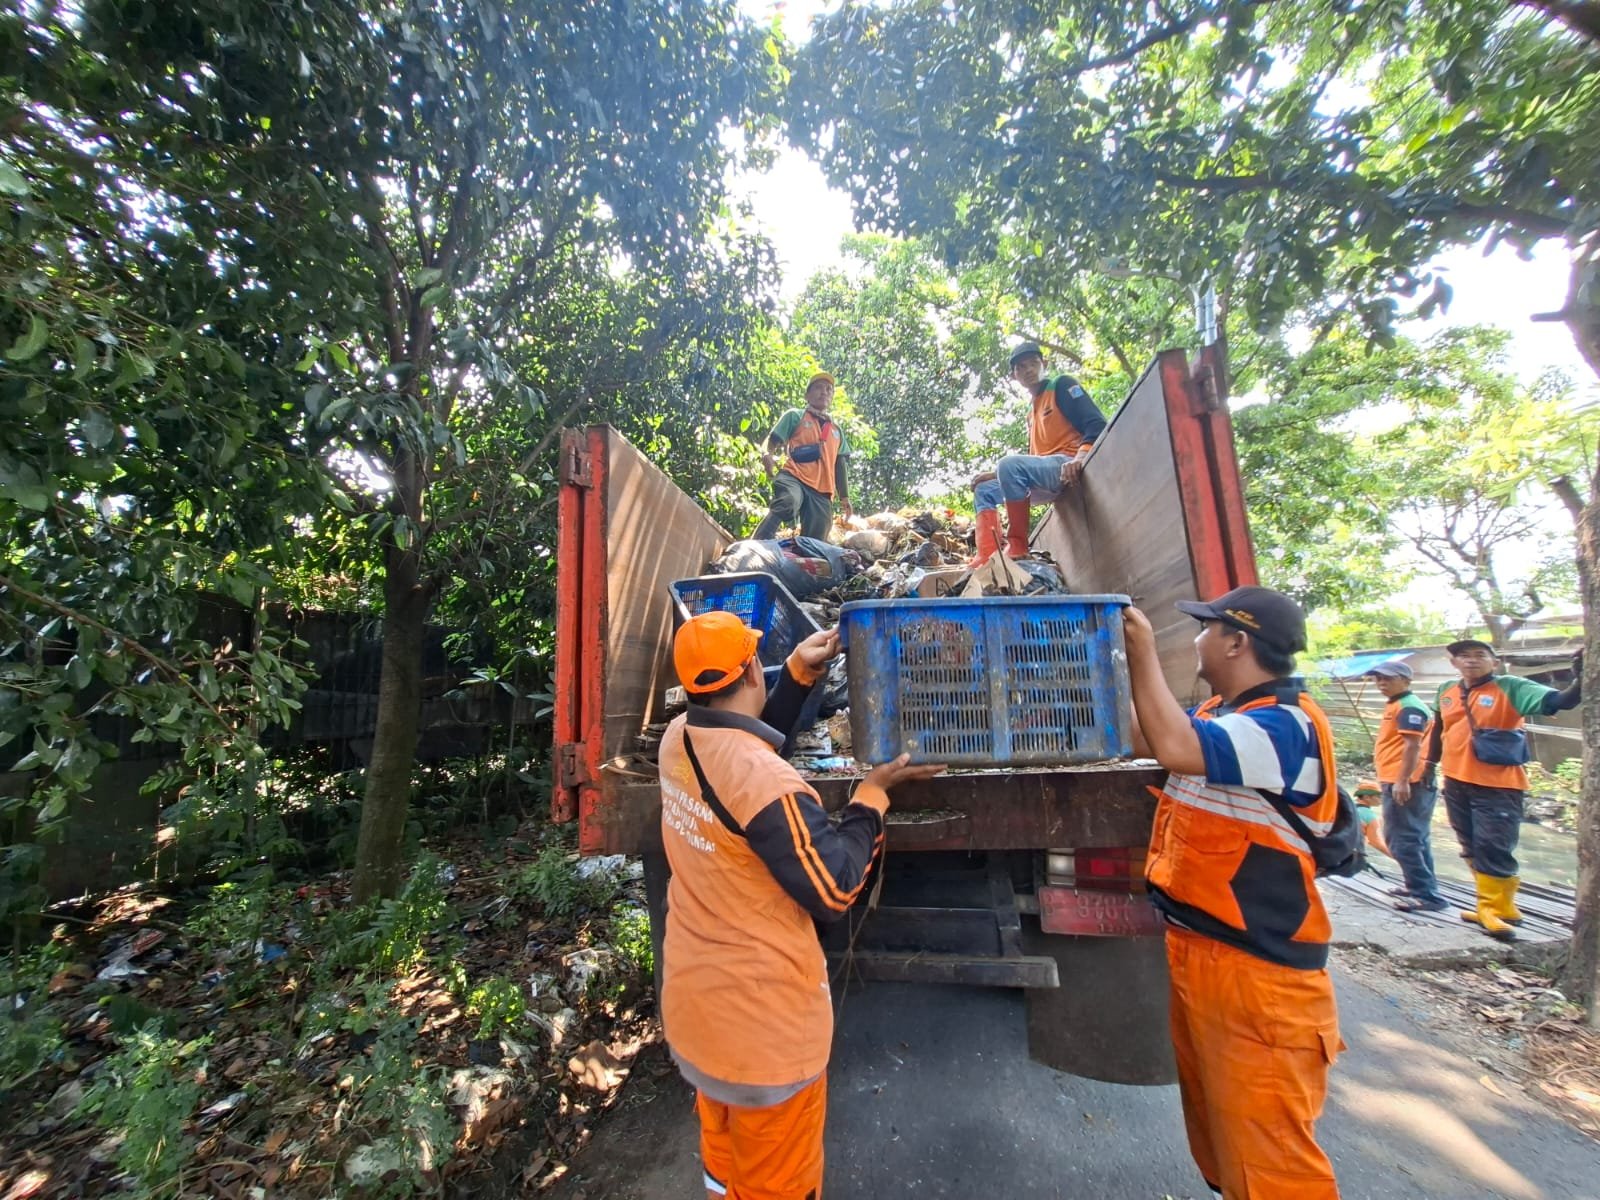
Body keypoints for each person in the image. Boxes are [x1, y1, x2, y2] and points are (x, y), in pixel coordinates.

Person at [658, 610, 944, 1200]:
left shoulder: (677, 740)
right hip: (764, 1042)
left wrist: (795, 676)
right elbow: (834, 888)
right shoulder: (768, 786)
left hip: (699, 1021)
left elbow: (739, 748)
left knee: (725, 1168)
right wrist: (870, 799)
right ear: (749, 673)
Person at [1121, 585, 1343, 1200]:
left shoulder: (1287, 725)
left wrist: (1141, 652)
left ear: (1237, 642)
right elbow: (1143, 736)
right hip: (1204, 953)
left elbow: (1175, 748)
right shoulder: (1224, 714)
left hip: (1258, 977)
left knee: (1272, 1165)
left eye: (1205, 627)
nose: (1195, 639)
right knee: (1224, 1144)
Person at [1426, 638, 1582, 940]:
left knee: (1494, 845)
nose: (1471, 660)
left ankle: (1499, 909)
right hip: (1456, 781)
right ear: (1454, 663)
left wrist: (1580, 678)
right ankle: (1488, 905)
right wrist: (1427, 766)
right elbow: (1438, 729)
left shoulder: (1511, 687)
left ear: (1494, 662)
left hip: (1498, 786)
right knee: (1469, 844)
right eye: (1464, 656)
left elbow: (1561, 702)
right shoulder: (1446, 690)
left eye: (1480, 655)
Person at [970, 342, 1106, 566]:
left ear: (1045, 364)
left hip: (1069, 463)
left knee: (1008, 465)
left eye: (1033, 363)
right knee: (984, 490)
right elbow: (1030, 464)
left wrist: (1081, 458)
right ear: (1014, 376)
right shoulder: (1031, 412)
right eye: (1021, 367)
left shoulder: (1061, 385)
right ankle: (987, 557)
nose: (1029, 370)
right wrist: (996, 475)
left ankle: (1018, 546)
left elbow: (1097, 424)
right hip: (1046, 474)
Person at [1363, 661, 1446, 913]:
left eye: (1388, 678)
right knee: (1415, 837)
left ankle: (1427, 895)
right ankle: (1419, 886)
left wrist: (1402, 780)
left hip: (1408, 782)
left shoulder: (1409, 707)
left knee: (1401, 839)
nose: (1381, 683)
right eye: (1378, 678)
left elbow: (1413, 746)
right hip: (1399, 779)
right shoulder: (1397, 704)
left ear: (1406, 681)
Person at [752, 372, 853, 542]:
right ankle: (758, 543)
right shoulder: (796, 416)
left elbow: (840, 464)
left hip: (822, 490)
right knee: (788, 501)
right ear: (807, 395)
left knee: (818, 535)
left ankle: (800, 557)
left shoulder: (836, 430)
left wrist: (845, 497)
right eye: (818, 388)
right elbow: (773, 439)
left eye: (829, 389)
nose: (824, 392)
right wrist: (767, 454)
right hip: (795, 476)